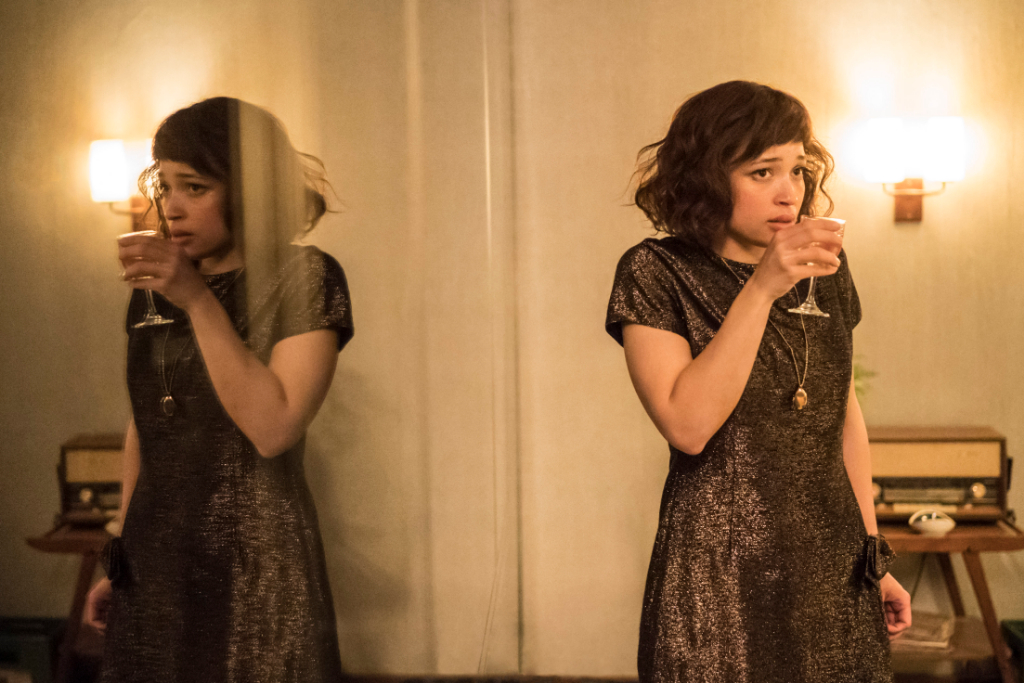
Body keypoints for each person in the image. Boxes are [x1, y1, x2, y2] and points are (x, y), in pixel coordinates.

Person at [605, 81, 911, 683]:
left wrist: (873, 557)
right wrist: (764, 286)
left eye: (796, 169)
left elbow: (841, 417)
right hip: (719, 576)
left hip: (832, 564)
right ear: (707, 178)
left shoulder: (825, 268)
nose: (788, 191)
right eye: (762, 172)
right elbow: (688, 427)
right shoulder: (655, 271)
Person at [84, 97, 352, 683]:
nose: (172, 207)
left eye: (196, 187)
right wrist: (120, 557)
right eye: (166, 186)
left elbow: (274, 428)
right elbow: (148, 425)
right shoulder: (153, 291)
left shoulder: (307, 276)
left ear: (250, 191)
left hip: (256, 565)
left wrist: (196, 299)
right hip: (157, 560)